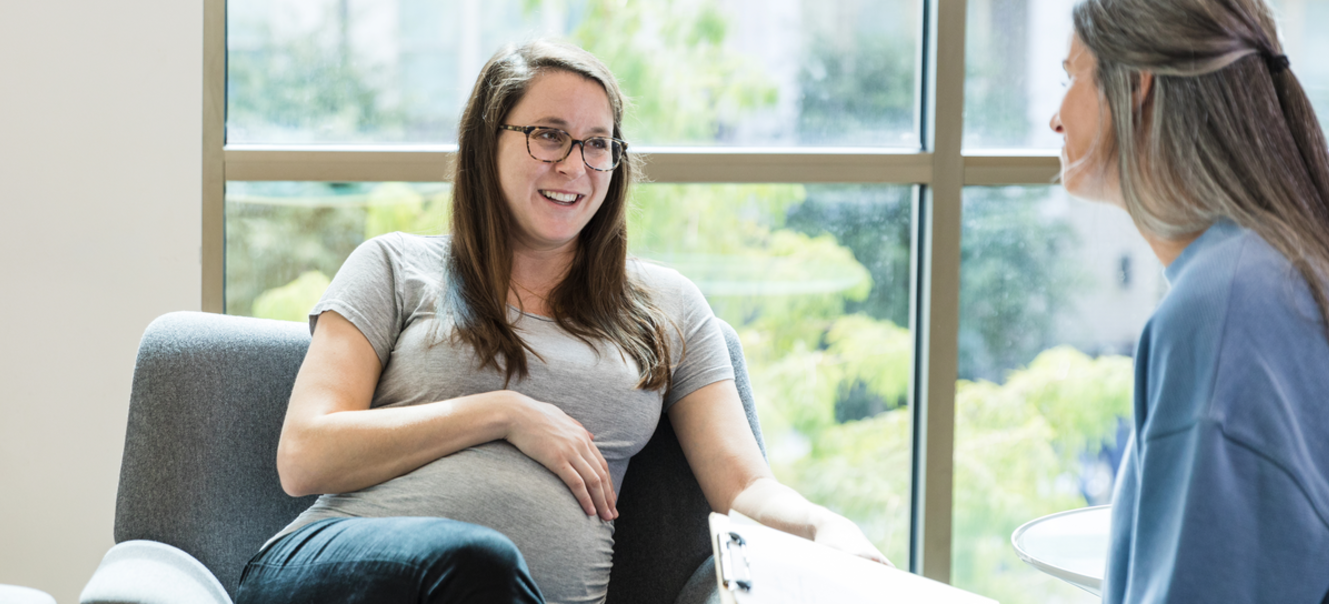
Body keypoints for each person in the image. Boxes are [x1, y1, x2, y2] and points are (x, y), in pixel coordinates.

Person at [232, 39, 890, 604]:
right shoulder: (394, 266)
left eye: (597, 143)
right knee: (475, 561)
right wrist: (503, 413)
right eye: (549, 134)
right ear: (486, 141)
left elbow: (744, 486)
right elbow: (306, 454)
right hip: (329, 571)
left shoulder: (668, 307)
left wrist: (824, 528)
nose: (574, 165)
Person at [1049, 0, 1329, 602]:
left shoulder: (1227, 313)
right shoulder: (1291, 276)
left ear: (1137, 85)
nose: (1054, 118)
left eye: (1071, 77)